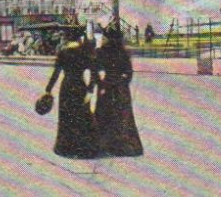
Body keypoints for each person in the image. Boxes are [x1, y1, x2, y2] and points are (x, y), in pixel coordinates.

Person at [39, 28, 99, 159]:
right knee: (82, 116)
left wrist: (48, 89)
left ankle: (67, 148)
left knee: (67, 117)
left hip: (66, 87)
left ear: (67, 38)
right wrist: (90, 89)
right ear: (79, 38)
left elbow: (56, 73)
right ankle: (84, 148)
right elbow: (94, 73)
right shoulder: (84, 52)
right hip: (80, 87)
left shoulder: (63, 52)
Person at [92, 23, 143, 157]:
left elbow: (95, 71)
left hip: (107, 87)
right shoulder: (123, 52)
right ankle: (122, 145)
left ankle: (105, 144)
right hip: (120, 89)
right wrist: (123, 83)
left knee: (105, 114)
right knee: (122, 116)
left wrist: (100, 84)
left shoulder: (101, 51)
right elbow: (129, 73)